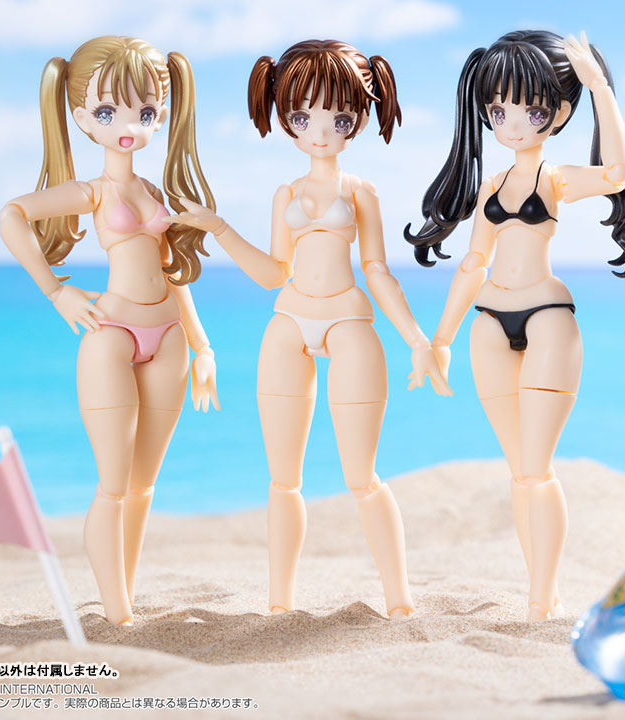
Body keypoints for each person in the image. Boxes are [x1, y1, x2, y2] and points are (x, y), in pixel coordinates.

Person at [169, 39, 450, 618]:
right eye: (302, 117)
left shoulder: (361, 192)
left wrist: (418, 340)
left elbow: (377, 271)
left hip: (348, 319)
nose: (320, 132)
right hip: (289, 320)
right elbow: (274, 272)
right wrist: (218, 228)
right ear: (284, 118)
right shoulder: (287, 194)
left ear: (359, 118)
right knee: (283, 480)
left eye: (339, 119)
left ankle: (400, 601)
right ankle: (280, 605)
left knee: (361, 477)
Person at [405, 30, 625, 621]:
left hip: (547, 317)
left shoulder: (557, 178)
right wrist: (439, 338)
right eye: (498, 111)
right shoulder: (492, 185)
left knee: (537, 469)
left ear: (559, 114)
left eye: (532, 111)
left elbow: (618, 172)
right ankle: (538, 593)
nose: (513, 124)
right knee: (520, 474)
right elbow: (473, 262)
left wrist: (599, 87)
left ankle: (545, 596)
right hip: (488, 321)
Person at [0, 36, 218, 625]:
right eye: (106, 112)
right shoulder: (92, 192)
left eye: (144, 112)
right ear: (80, 118)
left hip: (169, 334)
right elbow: (12, 215)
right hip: (111, 331)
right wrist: (55, 291)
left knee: (144, 485)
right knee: (113, 485)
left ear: (160, 116)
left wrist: (202, 344)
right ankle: (117, 614)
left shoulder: (155, 192)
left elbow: (171, 272)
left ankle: (127, 597)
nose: (128, 126)